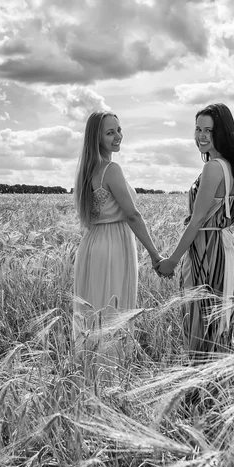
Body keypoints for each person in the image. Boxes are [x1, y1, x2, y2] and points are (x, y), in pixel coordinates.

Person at [154, 103, 234, 360]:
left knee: (199, 322)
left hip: (206, 249)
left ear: (223, 133)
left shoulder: (213, 167)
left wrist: (171, 261)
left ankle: (199, 391)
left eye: (209, 130)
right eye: (198, 129)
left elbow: (197, 221)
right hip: (224, 249)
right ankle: (216, 388)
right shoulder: (230, 166)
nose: (201, 136)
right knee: (218, 325)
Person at [73, 110, 162, 375]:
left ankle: (90, 373)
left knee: (95, 313)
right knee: (113, 311)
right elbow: (132, 214)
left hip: (92, 245)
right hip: (113, 245)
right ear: (96, 138)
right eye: (110, 132)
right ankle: (110, 376)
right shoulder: (111, 169)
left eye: (119, 129)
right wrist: (156, 256)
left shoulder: (87, 171)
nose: (118, 136)